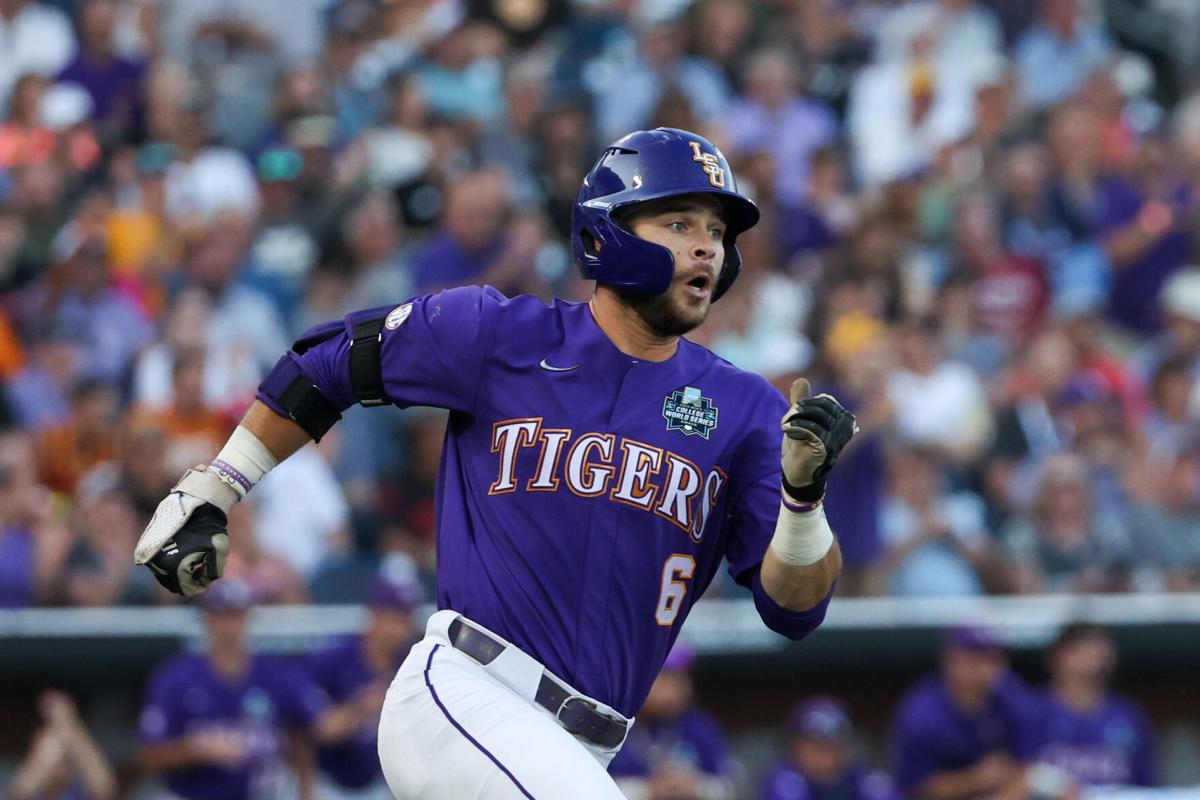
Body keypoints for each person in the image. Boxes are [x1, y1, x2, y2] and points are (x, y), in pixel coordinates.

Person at [133, 127, 856, 799]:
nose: (706, 248)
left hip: (586, 746)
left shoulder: (748, 409)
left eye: (717, 232)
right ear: (607, 233)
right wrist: (217, 485)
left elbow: (795, 609)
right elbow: (328, 362)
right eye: (679, 223)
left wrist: (802, 502)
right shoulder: (499, 334)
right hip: (470, 694)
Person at [137, 578, 341, 800]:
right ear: (207, 618)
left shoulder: (273, 672)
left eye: (236, 614)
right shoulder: (176, 676)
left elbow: (307, 729)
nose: (229, 625)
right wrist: (195, 750)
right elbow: (149, 755)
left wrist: (306, 791)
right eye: (221, 615)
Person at [309, 569, 425, 800]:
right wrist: (362, 707)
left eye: (405, 618)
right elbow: (318, 730)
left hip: (386, 785)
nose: (399, 628)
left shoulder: (413, 662)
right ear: (374, 614)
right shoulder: (335, 658)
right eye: (393, 616)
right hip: (331, 784)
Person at [890, 626, 1035, 800]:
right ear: (949, 661)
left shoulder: (1010, 694)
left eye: (993, 659)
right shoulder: (921, 713)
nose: (987, 669)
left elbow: (1030, 763)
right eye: (975, 659)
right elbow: (914, 788)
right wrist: (975, 779)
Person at [1025, 623, 1158, 787]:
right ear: (1057, 656)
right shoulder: (1029, 711)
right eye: (1081, 648)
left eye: (1099, 647)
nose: (1093, 656)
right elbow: (1013, 773)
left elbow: (1147, 783)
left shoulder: (1128, 714)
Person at [608, 643, 740, 800]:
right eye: (663, 678)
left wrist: (695, 785)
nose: (672, 689)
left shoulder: (699, 726)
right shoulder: (609, 722)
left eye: (679, 679)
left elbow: (731, 785)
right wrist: (647, 789)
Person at [761, 696, 899, 800]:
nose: (828, 760)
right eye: (818, 750)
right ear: (796, 750)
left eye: (835, 749)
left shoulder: (865, 780)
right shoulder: (785, 782)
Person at [7, 689, 117, 800]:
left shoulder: (80, 792)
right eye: (56, 756)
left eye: (66, 759)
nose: (59, 766)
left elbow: (105, 789)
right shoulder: (20, 779)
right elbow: (18, 794)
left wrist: (70, 724)